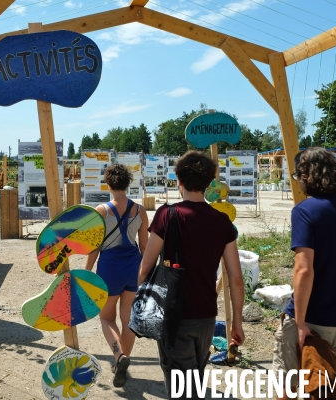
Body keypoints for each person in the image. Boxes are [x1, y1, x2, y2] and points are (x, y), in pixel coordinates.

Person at [138, 150, 245, 400]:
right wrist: (237, 322)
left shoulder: (167, 214)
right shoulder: (222, 222)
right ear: (209, 184)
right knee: (193, 380)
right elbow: (236, 278)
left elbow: (145, 266)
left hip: (174, 316)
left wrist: (140, 303)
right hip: (206, 317)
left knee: (181, 388)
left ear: (179, 181)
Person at [272, 147, 336, 399]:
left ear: (306, 175)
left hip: (313, 320)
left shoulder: (305, 211)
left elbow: (304, 269)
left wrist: (301, 323)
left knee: (289, 387)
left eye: (298, 176)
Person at [85, 164, 149, 388]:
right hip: (133, 267)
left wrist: (86, 271)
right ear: (127, 183)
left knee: (106, 318)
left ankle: (119, 357)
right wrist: (145, 274)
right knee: (128, 320)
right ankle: (121, 362)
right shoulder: (140, 211)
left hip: (109, 268)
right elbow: (145, 247)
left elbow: (94, 247)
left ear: (108, 183)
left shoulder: (101, 211)